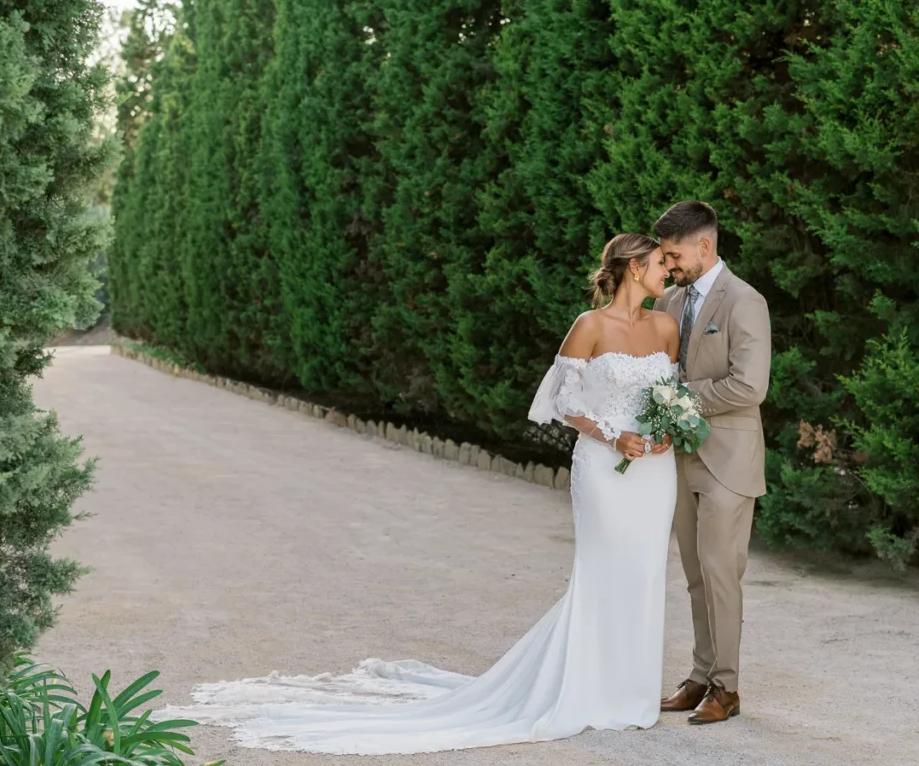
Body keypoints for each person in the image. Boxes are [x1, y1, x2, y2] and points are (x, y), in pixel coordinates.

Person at [161, 234, 682, 755]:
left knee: (645, 571)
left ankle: (632, 694)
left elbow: (671, 396)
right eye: (661, 263)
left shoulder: (666, 326)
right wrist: (613, 435)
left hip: (654, 472)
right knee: (603, 571)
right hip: (604, 465)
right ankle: (587, 692)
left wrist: (665, 431)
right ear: (635, 268)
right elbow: (561, 401)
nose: (669, 272)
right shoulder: (589, 327)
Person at [653, 201, 771, 725]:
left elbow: (751, 385)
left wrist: (682, 396)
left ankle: (728, 687)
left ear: (705, 245)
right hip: (679, 459)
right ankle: (701, 675)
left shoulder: (746, 301)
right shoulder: (670, 301)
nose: (670, 266)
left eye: (675, 255)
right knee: (696, 574)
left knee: (722, 573)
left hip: (728, 459)